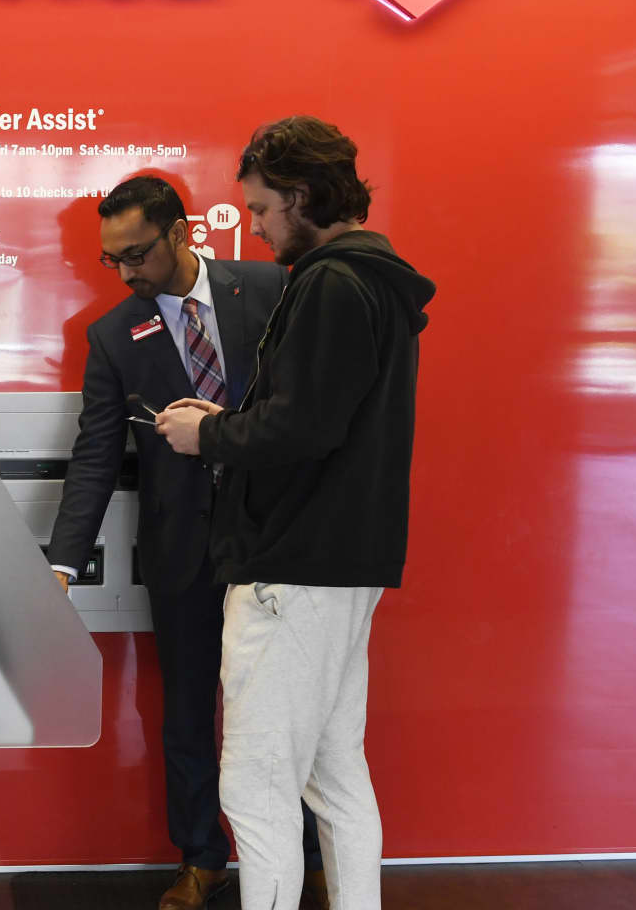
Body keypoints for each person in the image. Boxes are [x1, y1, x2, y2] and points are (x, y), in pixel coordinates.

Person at [157, 117, 436, 910]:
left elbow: (302, 427)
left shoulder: (329, 283)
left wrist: (206, 433)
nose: (252, 225)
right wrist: (226, 425)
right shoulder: (373, 283)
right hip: (344, 565)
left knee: (256, 783)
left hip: (293, 567)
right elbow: (320, 418)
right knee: (334, 772)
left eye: (260, 208)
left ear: (303, 196)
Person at [46, 172, 326, 910]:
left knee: (284, 708)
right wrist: (63, 563)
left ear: (179, 233)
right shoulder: (113, 336)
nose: (125, 273)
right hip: (183, 552)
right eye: (111, 260)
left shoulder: (270, 289)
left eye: (136, 254)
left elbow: (309, 410)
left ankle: (304, 858)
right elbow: (95, 456)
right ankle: (202, 858)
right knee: (189, 709)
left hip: (278, 541)